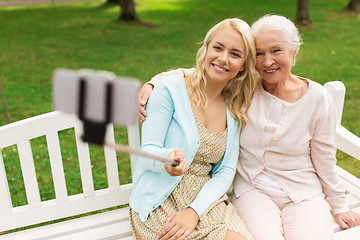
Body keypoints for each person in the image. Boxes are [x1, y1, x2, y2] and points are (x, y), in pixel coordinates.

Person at [137, 14, 360, 240]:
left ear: (295, 52)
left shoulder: (317, 98)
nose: (267, 61)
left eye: (276, 51)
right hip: (253, 190)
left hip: (303, 192)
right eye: (260, 53)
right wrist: (154, 81)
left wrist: (339, 205)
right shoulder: (245, 89)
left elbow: (325, 157)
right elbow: (205, 71)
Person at [129, 18, 258, 240]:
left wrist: (194, 212)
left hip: (206, 200)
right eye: (218, 48)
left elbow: (225, 171)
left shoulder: (234, 106)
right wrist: (166, 158)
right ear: (205, 49)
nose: (223, 58)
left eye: (235, 54)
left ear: (243, 65)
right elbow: (148, 153)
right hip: (161, 199)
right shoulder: (169, 90)